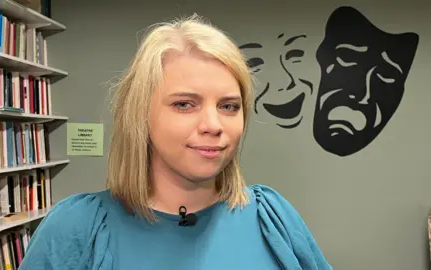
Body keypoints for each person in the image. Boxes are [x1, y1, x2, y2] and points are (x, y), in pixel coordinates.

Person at [19, 14, 332, 270]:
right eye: (184, 104)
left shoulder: (273, 218)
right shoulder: (77, 228)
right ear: (140, 114)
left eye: (228, 106)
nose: (213, 125)